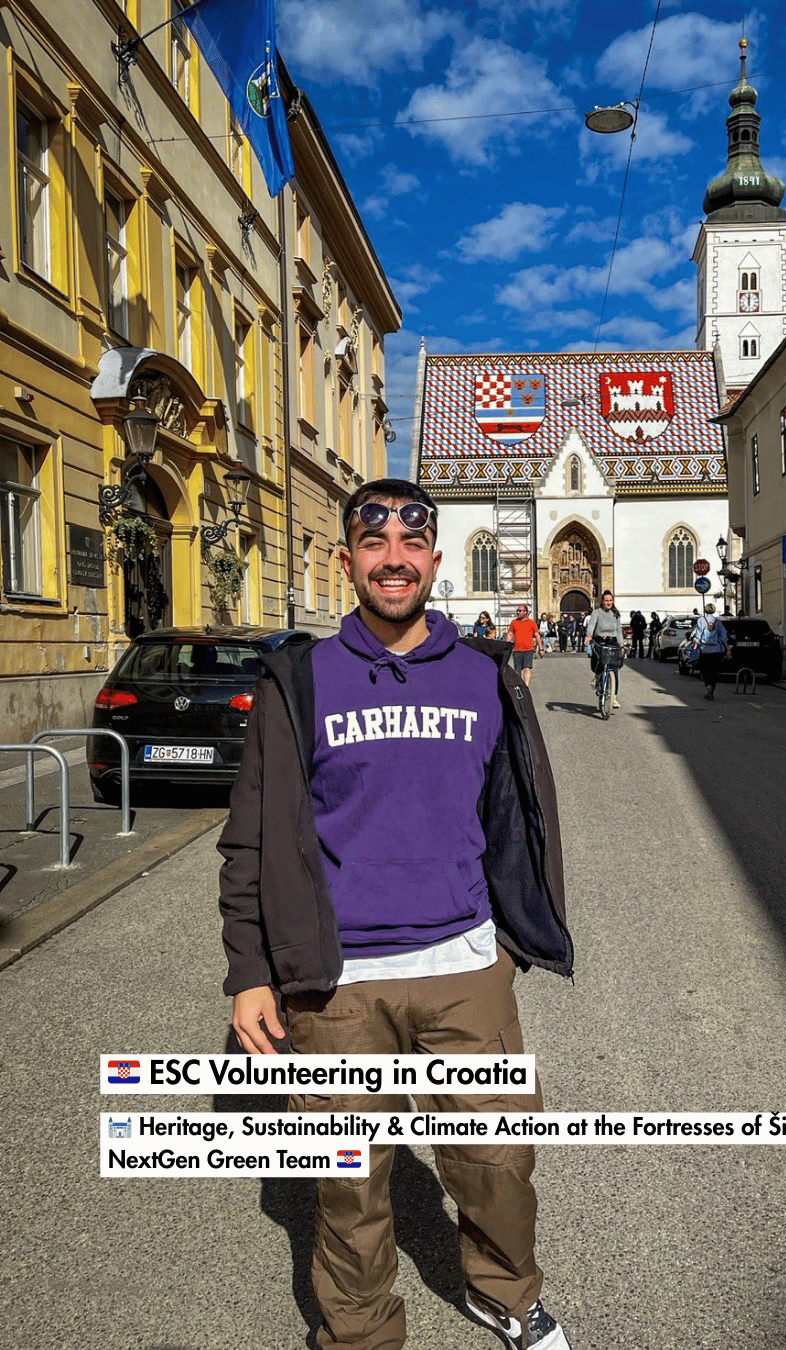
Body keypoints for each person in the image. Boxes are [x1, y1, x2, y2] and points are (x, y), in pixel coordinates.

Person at [218, 478, 574, 1350]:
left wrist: (521, 935)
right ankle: (361, 1335)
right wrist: (250, 973)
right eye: (373, 545)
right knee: (349, 1185)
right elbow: (248, 841)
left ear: (435, 560)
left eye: (411, 545)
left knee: (497, 1163)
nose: (393, 560)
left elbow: (514, 817)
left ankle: (503, 1293)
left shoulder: (486, 675)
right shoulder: (297, 681)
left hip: (464, 968)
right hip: (337, 984)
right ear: (348, 561)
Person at [585, 589, 624, 709]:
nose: (608, 603)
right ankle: (597, 678)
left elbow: (618, 631)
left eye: (610, 600)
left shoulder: (615, 614)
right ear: (602, 601)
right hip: (600, 641)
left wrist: (621, 646)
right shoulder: (597, 613)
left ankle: (614, 697)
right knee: (599, 663)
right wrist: (589, 635)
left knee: (614, 670)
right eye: (606, 600)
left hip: (612, 642)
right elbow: (591, 625)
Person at [691, 602, 729, 700]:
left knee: (704, 670)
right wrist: (728, 650)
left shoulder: (701, 620)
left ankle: (708, 686)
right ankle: (711, 688)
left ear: (705, 610)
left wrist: (695, 648)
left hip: (705, 650)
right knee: (714, 671)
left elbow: (698, 635)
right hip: (716, 651)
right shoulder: (717, 622)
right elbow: (724, 637)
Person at [505, 603, 543, 686]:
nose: (518, 612)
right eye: (517, 611)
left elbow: (537, 635)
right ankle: (518, 685)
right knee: (517, 670)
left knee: (527, 668)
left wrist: (541, 648)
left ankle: (526, 686)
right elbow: (510, 634)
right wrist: (506, 646)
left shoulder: (531, 622)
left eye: (520, 611)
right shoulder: (514, 622)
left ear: (525, 612)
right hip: (517, 649)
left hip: (528, 649)